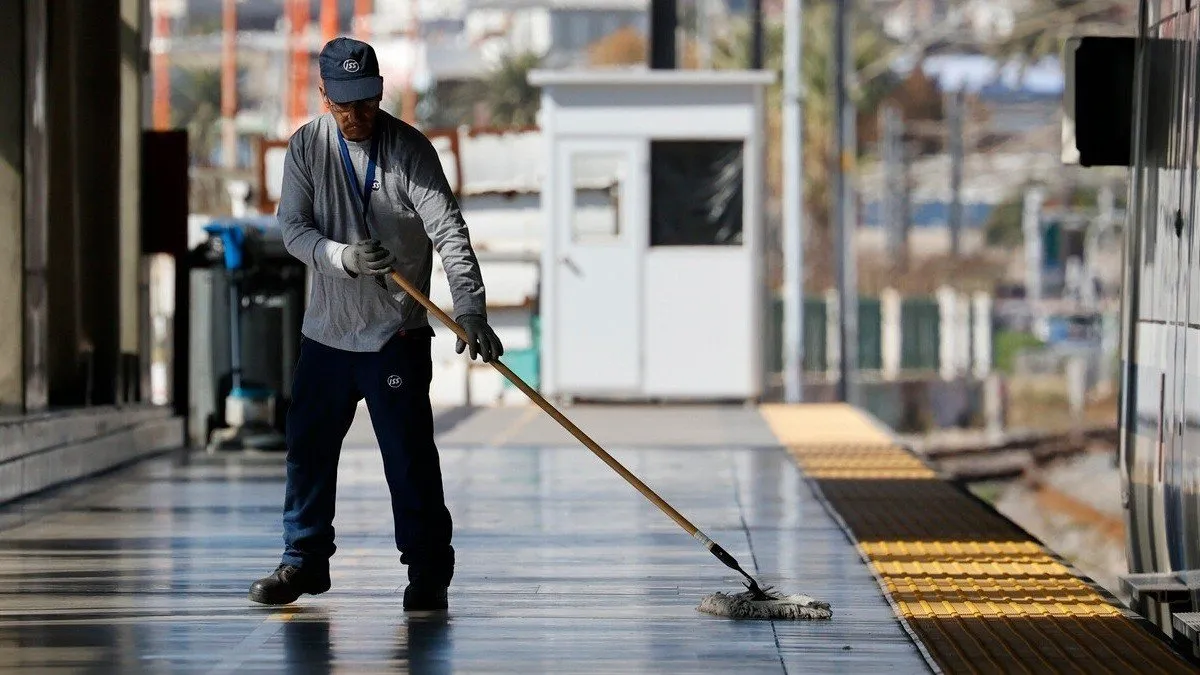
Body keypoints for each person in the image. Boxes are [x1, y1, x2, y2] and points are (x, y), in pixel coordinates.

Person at [249, 37, 503, 612]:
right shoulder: (306, 147)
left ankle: (428, 570)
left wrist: (471, 309)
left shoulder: (410, 151)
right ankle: (304, 561)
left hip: (397, 335)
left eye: (366, 101)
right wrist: (341, 256)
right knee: (307, 450)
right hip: (327, 336)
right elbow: (292, 228)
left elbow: (449, 232)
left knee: (408, 456)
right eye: (345, 104)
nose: (357, 115)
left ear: (381, 91)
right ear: (324, 95)